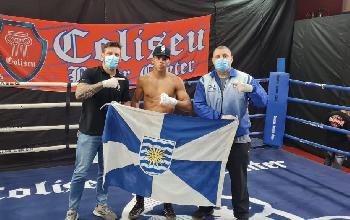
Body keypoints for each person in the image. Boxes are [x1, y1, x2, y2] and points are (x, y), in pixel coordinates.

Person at [192, 45, 267, 220]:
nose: (221, 59)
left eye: (225, 56)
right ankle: (205, 207)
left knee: (239, 178)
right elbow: (198, 105)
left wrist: (252, 89)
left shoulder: (245, 78)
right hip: (213, 136)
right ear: (212, 60)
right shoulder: (204, 80)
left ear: (232, 58)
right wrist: (218, 117)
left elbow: (263, 102)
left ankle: (241, 214)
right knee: (208, 174)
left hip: (238, 137)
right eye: (217, 56)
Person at [65, 41, 130, 220]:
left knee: (104, 172)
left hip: (110, 135)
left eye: (117, 54)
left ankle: (101, 206)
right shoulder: (91, 73)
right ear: (102, 55)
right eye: (110, 53)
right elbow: (79, 94)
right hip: (88, 132)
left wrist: (123, 108)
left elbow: (127, 105)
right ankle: (72, 210)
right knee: (80, 171)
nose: (113, 57)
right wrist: (103, 84)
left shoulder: (123, 79)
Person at [129, 45, 192, 219]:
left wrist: (174, 101)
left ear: (169, 61)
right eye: (158, 57)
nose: (161, 61)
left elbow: (188, 106)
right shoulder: (143, 79)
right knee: (141, 165)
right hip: (147, 127)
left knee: (166, 166)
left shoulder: (176, 81)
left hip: (167, 127)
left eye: (165, 58)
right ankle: (139, 203)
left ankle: (168, 206)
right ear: (153, 59)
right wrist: (136, 120)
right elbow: (134, 101)